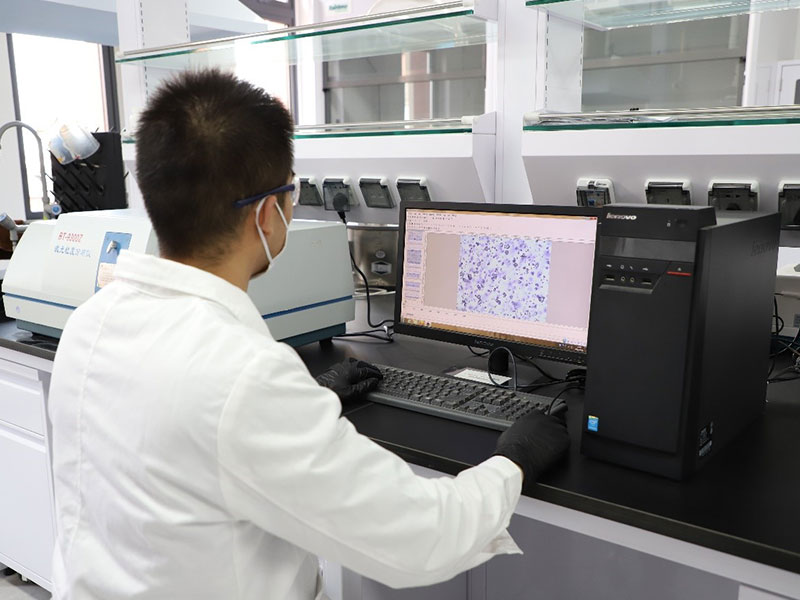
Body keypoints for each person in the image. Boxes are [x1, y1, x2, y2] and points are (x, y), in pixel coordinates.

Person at [48, 69, 570, 600]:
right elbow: (423, 538)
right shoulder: (243, 375)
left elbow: (178, 448)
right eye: (291, 193)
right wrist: (515, 461)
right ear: (267, 214)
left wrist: (304, 404)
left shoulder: (91, 321)